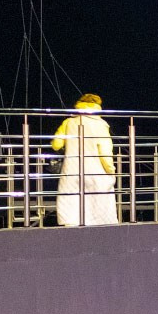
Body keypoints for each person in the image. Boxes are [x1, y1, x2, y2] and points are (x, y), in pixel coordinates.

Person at [53, 93, 118, 226]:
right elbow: (105, 152)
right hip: (95, 172)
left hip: (72, 170)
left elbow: (56, 144)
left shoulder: (69, 122)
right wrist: (111, 170)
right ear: (97, 106)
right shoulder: (101, 124)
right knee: (97, 208)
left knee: (72, 207)